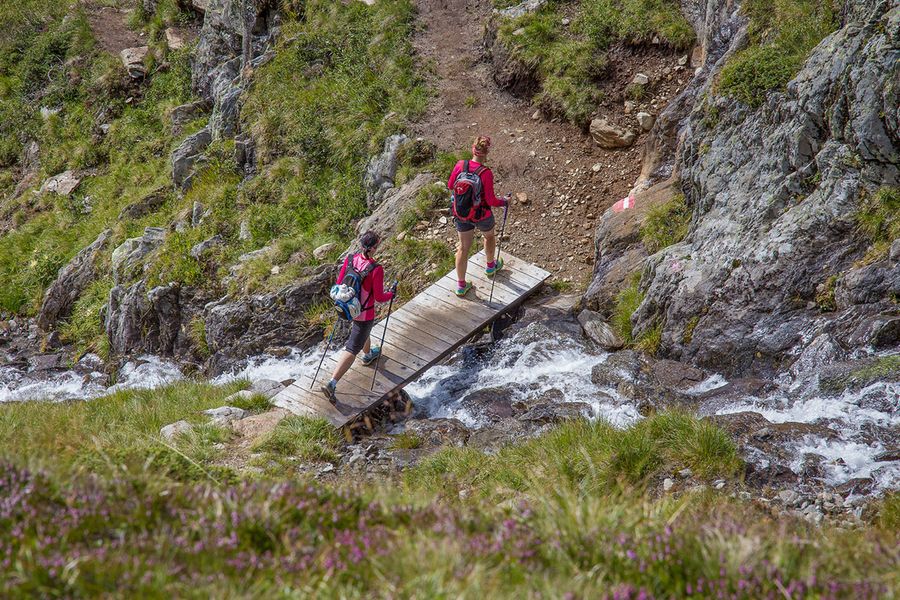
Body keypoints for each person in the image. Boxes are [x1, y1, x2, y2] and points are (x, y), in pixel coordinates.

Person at [321, 231, 396, 403]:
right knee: (352, 349)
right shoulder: (376, 269)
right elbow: (378, 297)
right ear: (374, 248)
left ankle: (368, 354)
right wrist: (391, 294)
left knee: (363, 333)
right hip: (365, 313)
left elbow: (339, 283)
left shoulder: (349, 259)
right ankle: (332, 383)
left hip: (347, 308)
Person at [448, 135, 510, 297]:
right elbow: (491, 200)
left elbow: (450, 186)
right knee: (489, 236)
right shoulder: (485, 173)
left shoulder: (460, 164)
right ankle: (490, 266)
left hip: (461, 213)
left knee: (463, 247)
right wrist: (504, 202)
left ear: (472, 148)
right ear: (487, 152)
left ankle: (461, 285)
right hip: (481, 214)